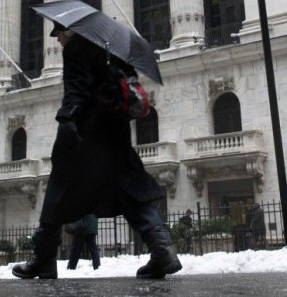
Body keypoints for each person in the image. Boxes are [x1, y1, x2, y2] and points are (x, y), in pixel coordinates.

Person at [12, 22, 182, 280]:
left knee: (58, 191)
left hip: (85, 132)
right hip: (114, 130)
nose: (58, 41)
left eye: (59, 35)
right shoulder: (114, 50)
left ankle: (44, 259)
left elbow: (76, 88)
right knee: (128, 190)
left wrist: (67, 119)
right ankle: (163, 249)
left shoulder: (76, 48)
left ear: (68, 31)